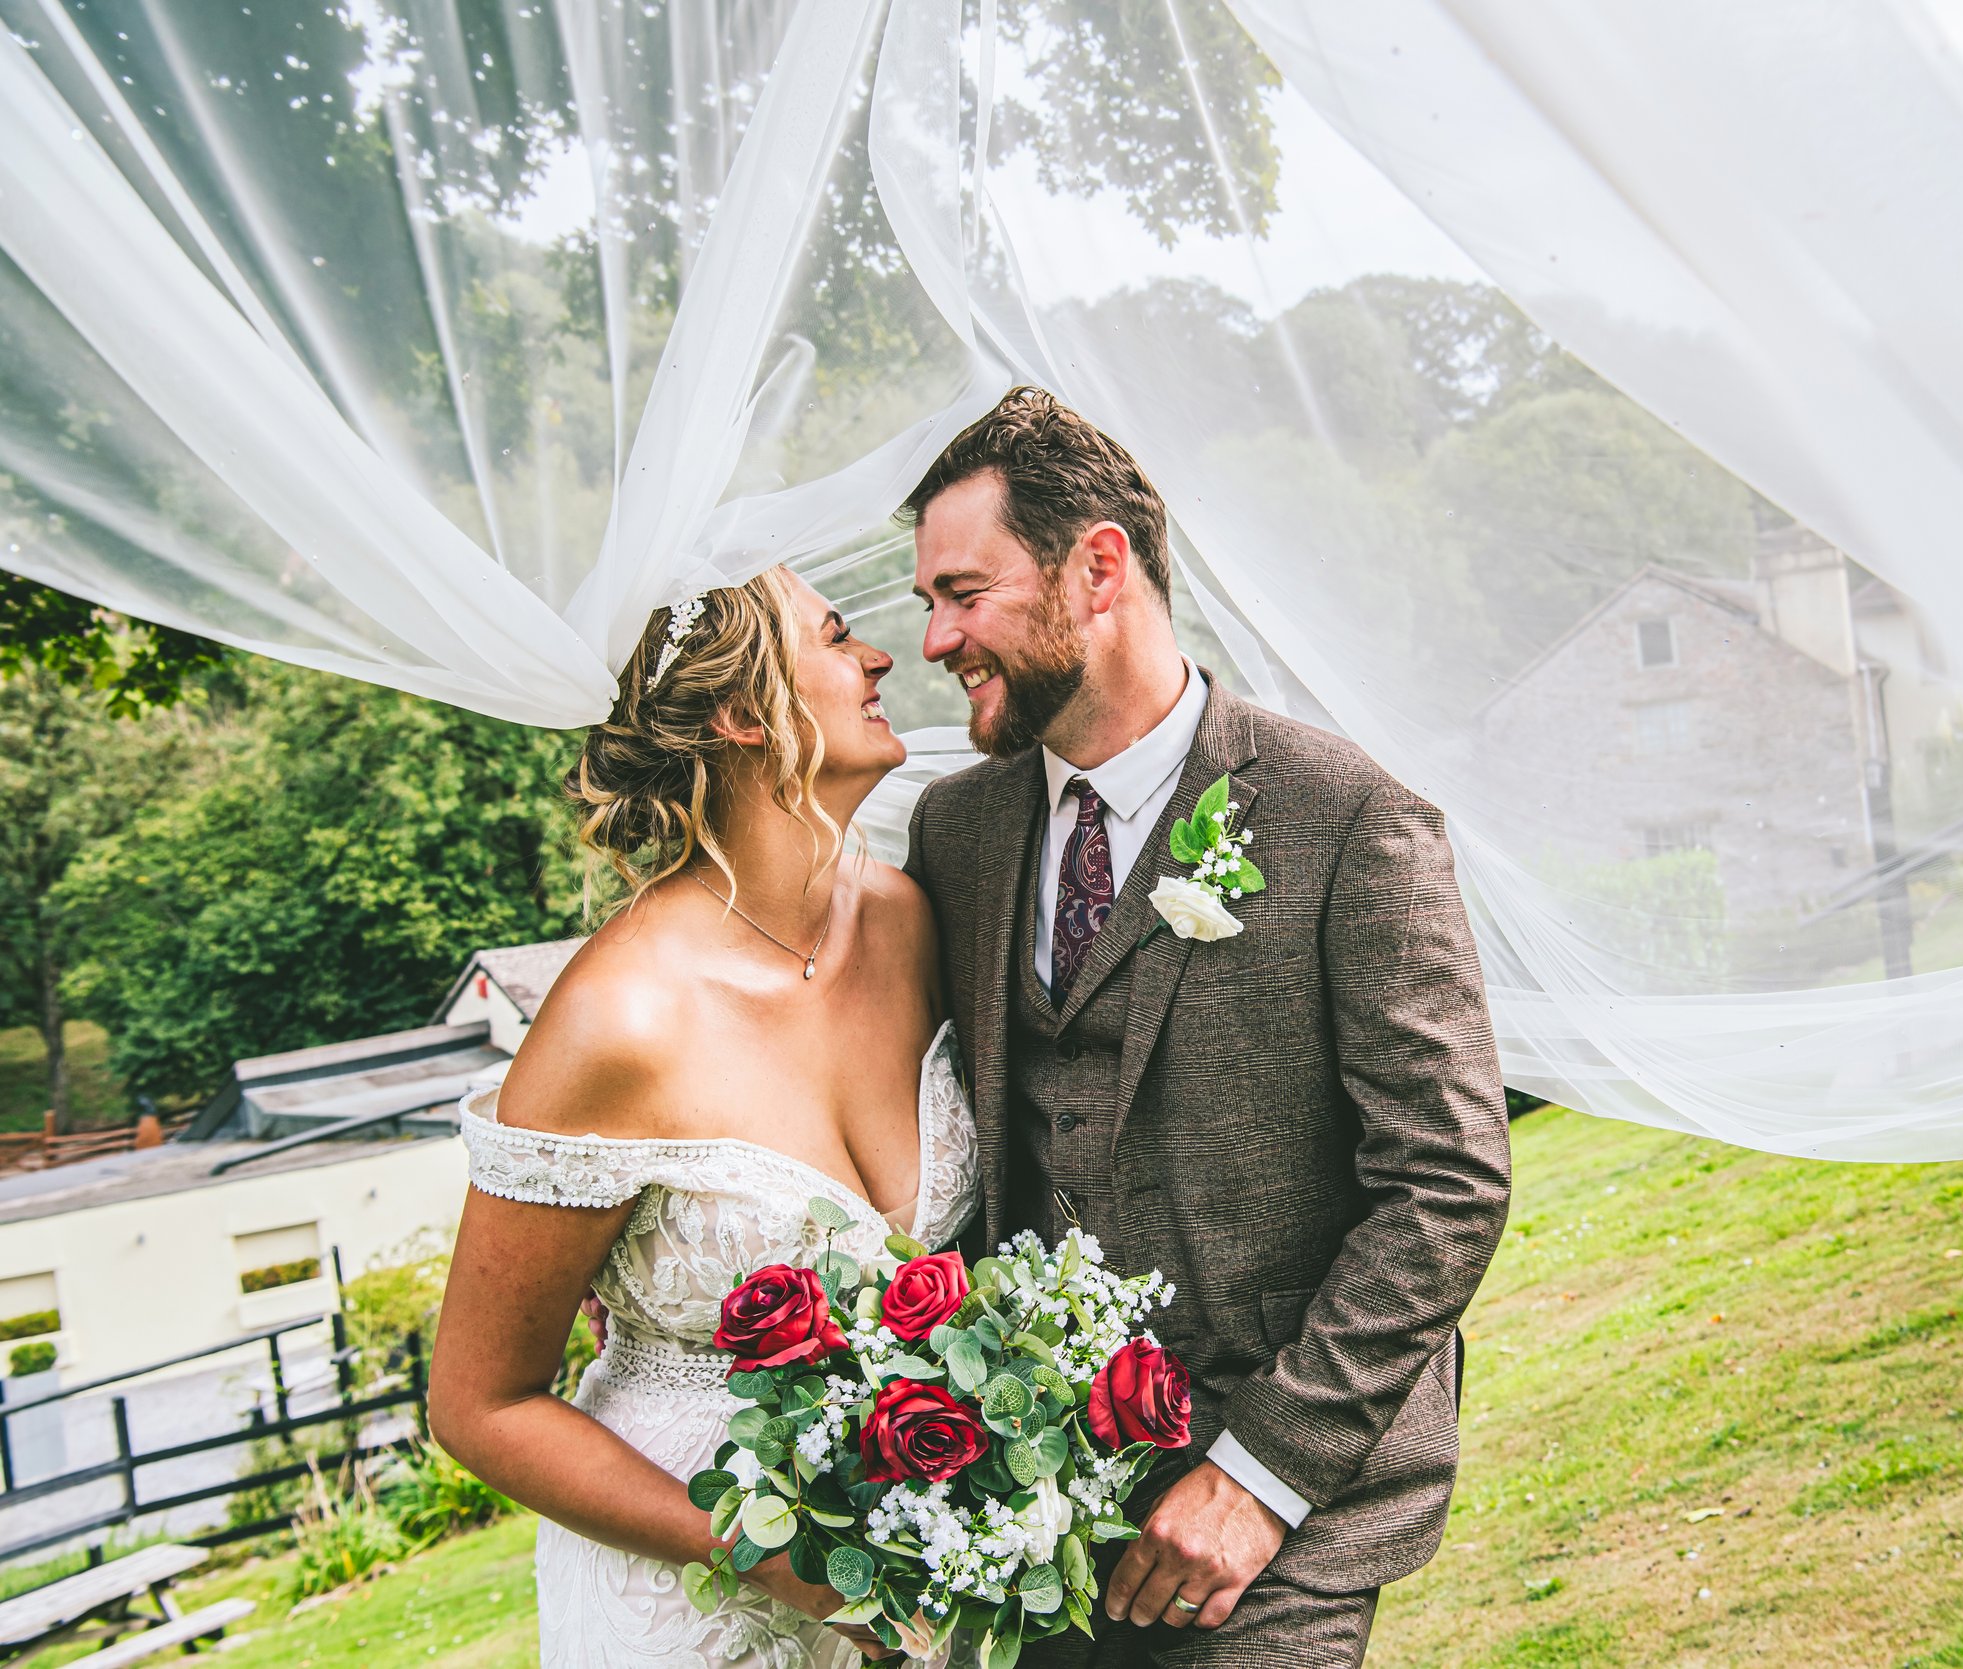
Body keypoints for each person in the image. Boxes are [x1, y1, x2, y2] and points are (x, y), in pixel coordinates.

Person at [902, 387, 1513, 1667]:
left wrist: (1258, 1477)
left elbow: (1447, 1181)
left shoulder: (1349, 818)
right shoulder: (954, 833)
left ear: (1098, 568)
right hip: (1031, 1513)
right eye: (928, 602)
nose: (935, 638)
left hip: (1276, 1523)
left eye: (962, 593)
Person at [429, 568, 977, 1668]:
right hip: (690, 1595)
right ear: (740, 714)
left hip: (913, 1573)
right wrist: (758, 1553)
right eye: (837, 638)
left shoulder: (905, 920)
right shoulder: (620, 1019)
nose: (881, 657)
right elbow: (479, 1404)